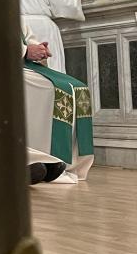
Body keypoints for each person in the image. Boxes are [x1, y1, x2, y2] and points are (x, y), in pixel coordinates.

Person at [22, 26, 93, 181]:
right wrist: (25, 51)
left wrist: (39, 50)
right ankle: (46, 158)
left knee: (78, 88)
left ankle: (71, 165)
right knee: (52, 90)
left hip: (25, 64)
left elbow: (27, 36)